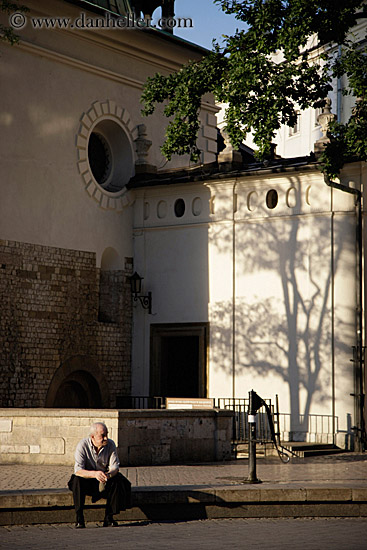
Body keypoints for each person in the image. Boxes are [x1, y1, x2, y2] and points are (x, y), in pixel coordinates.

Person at [68, 422, 131, 528]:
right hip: (88, 478)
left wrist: (108, 475)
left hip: (104, 477)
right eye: (102, 436)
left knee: (118, 480)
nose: (106, 438)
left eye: (107, 434)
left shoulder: (110, 445)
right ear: (93, 436)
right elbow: (78, 470)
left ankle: (109, 517)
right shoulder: (82, 445)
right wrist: (94, 474)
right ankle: (79, 518)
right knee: (76, 481)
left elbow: (115, 466)